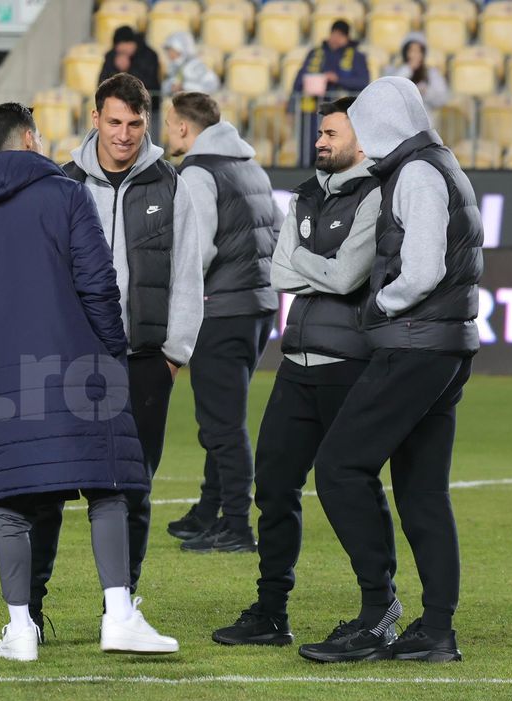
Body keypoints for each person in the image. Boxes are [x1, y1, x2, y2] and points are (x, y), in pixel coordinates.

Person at [0, 102, 179, 662]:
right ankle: (119, 616)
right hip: (82, 366)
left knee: (14, 500)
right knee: (108, 487)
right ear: (28, 140)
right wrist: (110, 350)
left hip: (4, 375)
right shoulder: (67, 195)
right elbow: (99, 284)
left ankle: (21, 629)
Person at [302, 77, 482, 664]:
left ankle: (378, 612)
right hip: (446, 346)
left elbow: (423, 269)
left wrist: (382, 304)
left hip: (414, 345)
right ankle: (435, 630)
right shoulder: (443, 165)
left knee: (338, 467)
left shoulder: (417, 174)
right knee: (423, 490)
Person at [27, 73, 203, 633]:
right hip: (70, 363)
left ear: (146, 124)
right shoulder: (62, 183)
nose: (123, 135)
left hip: (144, 363)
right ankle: (28, 610)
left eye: (133, 124)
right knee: (48, 485)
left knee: (132, 489)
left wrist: (172, 356)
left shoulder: (172, 185)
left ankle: (120, 609)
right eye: (114, 121)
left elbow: (188, 275)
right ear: (95, 119)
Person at [212, 97, 385, 647]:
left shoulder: (378, 194)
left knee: (351, 490)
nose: (320, 142)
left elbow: (349, 276)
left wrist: (314, 268)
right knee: (275, 487)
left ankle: (379, 606)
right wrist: (322, 270)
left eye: (331, 133)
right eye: (320, 134)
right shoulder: (306, 195)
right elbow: (280, 272)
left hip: (349, 366)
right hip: (295, 364)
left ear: (360, 140)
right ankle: (271, 612)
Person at [164, 92, 281, 554]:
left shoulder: (198, 172)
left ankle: (236, 523)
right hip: (256, 304)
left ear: (183, 127)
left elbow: (199, 248)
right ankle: (209, 510)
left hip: (221, 307)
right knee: (221, 417)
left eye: (169, 123)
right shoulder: (248, 165)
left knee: (222, 423)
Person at [291, 21, 369, 166]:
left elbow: (363, 82)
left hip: (340, 114)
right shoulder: (315, 53)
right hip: (311, 111)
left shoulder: (357, 56)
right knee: (308, 149)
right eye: (334, 34)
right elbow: (299, 79)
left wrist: (337, 79)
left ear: (347, 38)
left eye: (340, 35)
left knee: (334, 152)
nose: (336, 38)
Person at [99, 26, 161, 106]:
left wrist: (128, 70)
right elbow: (102, 82)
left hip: (143, 104)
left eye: (125, 48)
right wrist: (117, 70)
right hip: (116, 103)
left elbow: (151, 83)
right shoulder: (111, 56)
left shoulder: (149, 55)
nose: (122, 51)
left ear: (132, 43)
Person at [389, 33, 448, 114]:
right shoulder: (396, 70)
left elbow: (442, 99)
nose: (415, 55)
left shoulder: (431, 73)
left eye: (418, 51)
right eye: (411, 51)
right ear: (405, 53)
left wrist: (426, 92)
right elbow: (390, 91)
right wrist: (408, 69)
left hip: (426, 117)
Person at [160, 32, 219, 97]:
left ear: (180, 49)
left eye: (171, 50)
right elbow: (164, 87)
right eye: (168, 50)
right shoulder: (173, 67)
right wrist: (171, 87)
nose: (169, 53)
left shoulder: (197, 66)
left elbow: (211, 87)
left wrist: (184, 86)